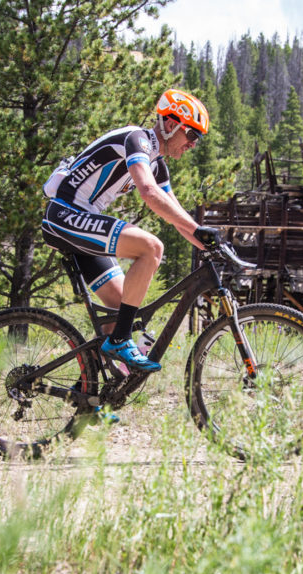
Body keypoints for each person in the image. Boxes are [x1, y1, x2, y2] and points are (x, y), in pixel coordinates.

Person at [41, 89, 210, 372]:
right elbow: (147, 192)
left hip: (81, 219)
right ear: (171, 125)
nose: (193, 144)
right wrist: (199, 232)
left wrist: (212, 245)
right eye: (192, 135)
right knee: (152, 247)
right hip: (65, 214)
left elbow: (179, 218)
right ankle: (119, 340)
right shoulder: (138, 140)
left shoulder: (158, 165)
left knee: (122, 307)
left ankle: (89, 391)